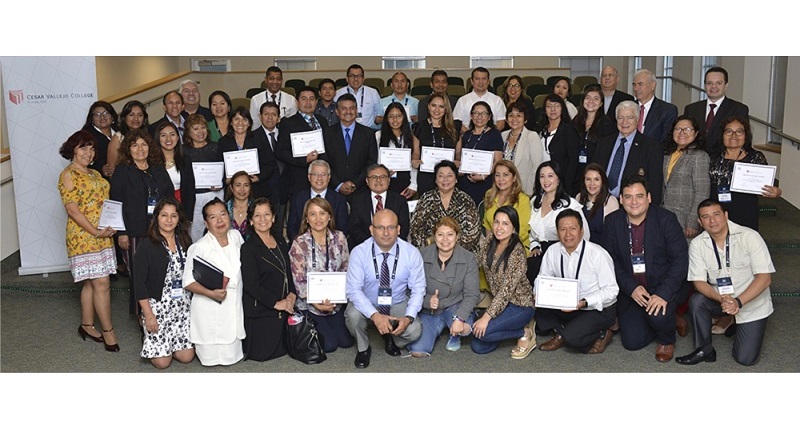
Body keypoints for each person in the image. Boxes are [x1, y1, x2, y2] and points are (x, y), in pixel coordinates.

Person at [601, 176, 689, 362]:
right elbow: (610, 261)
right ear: (621, 199)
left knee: (658, 317)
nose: (634, 202)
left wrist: (664, 294)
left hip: (662, 286)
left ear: (649, 197)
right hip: (632, 289)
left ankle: (666, 337)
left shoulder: (666, 219)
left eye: (639, 196)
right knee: (632, 343)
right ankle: (669, 319)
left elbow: (680, 261)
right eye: (628, 197)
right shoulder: (612, 222)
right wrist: (630, 288)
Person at [678, 199, 774, 366]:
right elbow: (698, 281)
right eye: (705, 217)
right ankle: (704, 349)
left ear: (726, 215)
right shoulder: (697, 244)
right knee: (697, 300)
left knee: (745, 359)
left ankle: (738, 324)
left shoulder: (749, 236)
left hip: (751, 302)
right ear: (700, 222)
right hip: (721, 300)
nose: (712, 221)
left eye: (716, 215)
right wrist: (721, 298)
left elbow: (765, 278)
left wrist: (738, 302)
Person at [57, 131, 119, 352]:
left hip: (102, 234)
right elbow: (73, 211)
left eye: (92, 148)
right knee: (101, 283)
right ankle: (108, 331)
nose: (88, 152)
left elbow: (105, 203)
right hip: (84, 236)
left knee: (90, 282)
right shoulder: (68, 174)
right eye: (83, 147)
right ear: (73, 149)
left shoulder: (94, 173)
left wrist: (110, 225)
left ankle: (86, 324)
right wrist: (95, 231)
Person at [345, 209, 425, 369]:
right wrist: (375, 316)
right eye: (380, 227)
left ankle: (391, 339)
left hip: (397, 301)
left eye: (391, 227)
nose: (386, 233)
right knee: (352, 316)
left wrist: (408, 318)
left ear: (399, 229)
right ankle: (364, 348)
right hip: (367, 301)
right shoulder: (359, 252)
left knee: (415, 330)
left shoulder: (411, 253)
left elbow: (418, 288)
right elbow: (353, 290)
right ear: (371, 229)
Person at [535, 209, 619, 354]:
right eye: (563, 229)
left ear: (581, 230)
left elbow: (612, 290)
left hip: (595, 308)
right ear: (557, 231)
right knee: (538, 315)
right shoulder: (552, 251)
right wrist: (538, 293)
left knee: (573, 339)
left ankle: (602, 333)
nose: (568, 234)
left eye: (573, 229)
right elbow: (542, 278)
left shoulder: (597, 254)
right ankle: (567, 329)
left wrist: (584, 302)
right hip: (566, 305)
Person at [110, 128, 174, 314]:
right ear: (128, 149)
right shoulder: (123, 171)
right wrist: (122, 232)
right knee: (139, 275)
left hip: (161, 230)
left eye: (144, 144)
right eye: (135, 145)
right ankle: (143, 316)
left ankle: (162, 311)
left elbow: (169, 197)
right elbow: (116, 203)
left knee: (161, 270)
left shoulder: (157, 169)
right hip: (134, 232)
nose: (140, 149)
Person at [183, 198, 246, 366]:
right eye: (213, 217)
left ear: (229, 216)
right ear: (205, 222)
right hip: (210, 306)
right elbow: (187, 281)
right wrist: (210, 293)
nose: (219, 220)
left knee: (233, 351)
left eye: (223, 214)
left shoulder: (236, 237)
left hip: (234, 303)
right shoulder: (199, 247)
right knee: (211, 354)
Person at [134, 198, 195, 368]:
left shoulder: (185, 240)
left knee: (186, 357)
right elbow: (139, 283)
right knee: (162, 363)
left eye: (173, 216)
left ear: (178, 219)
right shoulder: (146, 245)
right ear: (156, 218)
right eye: (164, 215)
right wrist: (149, 314)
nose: (169, 220)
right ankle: (147, 331)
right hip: (158, 307)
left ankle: (172, 343)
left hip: (182, 306)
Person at [407, 217, 479, 357]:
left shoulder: (468, 258)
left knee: (465, 328)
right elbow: (409, 289)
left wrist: (460, 318)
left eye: (450, 234)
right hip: (430, 311)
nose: (445, 239)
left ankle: (455, 331)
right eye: (440, 234)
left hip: (454, 305)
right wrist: (427, 301)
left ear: (457, 236)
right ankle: (438, 330)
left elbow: (472, 294)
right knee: (417, 351)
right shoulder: (421, 255)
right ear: (434, 236)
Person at [289, 197, 354, 353]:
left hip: (335, 303)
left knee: (346, 342)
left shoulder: (340, 238)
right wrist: (316, 303)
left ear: (329, 216)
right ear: (307, 219)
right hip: (310, 305)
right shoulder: (299, 243)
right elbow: (299, 281)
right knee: (330, 345)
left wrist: (338, 298)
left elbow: (346, 268)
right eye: (313, 214)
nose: (318, 219)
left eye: (322, 213)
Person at [472, 206, 536, 358]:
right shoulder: (489, 241)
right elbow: (475, 263)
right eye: (496, 222)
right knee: (478, 346)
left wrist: (486, 317)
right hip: (500, 305)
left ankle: (524, 331)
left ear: (514, 228)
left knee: (482, 333)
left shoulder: (517, 252)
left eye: (505, 224)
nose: (499, 228)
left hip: (520, 306)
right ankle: (502, 330)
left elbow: (505, 292)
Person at [239, 197, 297, 361]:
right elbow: (251, 285)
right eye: (257, 215)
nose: (262, 219)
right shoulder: (248, 248)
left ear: (273, 218)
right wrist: (276, 303)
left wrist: (292, 293)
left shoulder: (280, 240)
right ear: (250, 221)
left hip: (284, 305)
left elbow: (288, 270)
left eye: (266, 214)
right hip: (262, 309)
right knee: (264, 354)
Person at [708, 116, 781, 231]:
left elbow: (767, 185)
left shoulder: (756, 157)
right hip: (714, 211)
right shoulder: (712, 155)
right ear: (722, 135)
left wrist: (776, 192)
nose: (734, 135)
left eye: (739, 132)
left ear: (746, 136)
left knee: (744, 244)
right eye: (729, 131)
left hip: (745, 211)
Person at [527, 161, 589, 286]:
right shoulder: (534, 202)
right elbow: (530, 232)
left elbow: (585, 235)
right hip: (539, 257)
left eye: (550, 176)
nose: (546, 180)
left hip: (563, 257)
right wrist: (534, 245)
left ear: (559, 179)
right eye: (542, 176)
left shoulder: (569, 204)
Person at [592, 100, 664, 205]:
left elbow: (655, 185)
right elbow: (594, 171)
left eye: (630, 118)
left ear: (638, 119)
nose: (624, 122)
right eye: (621, 118)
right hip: (601, 202)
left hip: (632, 206)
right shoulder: (604, 142)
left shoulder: (651, 147)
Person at [277, 86, 330, 211]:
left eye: (312, 99)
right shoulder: (288, 123)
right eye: (304, 99)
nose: (308, 103)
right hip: (298, 180)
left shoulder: (322, 121)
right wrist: (304, 160)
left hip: (321, 180)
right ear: (297, 102)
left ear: (316, 102)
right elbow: (280, 151)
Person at [409, 160, 481, 253]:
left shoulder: (466, 200)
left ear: (456, 179)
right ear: (435, 179)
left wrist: (449, 249)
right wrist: (433, 250)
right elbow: (416, 230)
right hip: (431, 253)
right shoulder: (426, 199)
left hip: (461, 253)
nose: (445, 179)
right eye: (441, 176)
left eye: (449, 175)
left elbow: (473, 232)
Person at [662, 115, 710, 241]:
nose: (682, 132)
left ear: (696, 133)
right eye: (678, 129)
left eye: (687, 129)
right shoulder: (667, 155)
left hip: (685, 220)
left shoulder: (699, 156)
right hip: (664, 216)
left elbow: (702, 192)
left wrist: (693, 222)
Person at [218, 106, 279, 205]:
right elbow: (219, 166)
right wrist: (226, 179)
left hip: (257, 190)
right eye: (236, 119)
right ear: (231, 122)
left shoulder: (259, 139)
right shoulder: (223, 142)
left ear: (249, 123)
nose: (240, 123)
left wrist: (258, 177)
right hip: (233, 191)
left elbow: (270, 165)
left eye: (244, 119)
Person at [322, 93, 378, 199]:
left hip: (360, 190)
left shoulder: (368, 134)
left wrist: (355, 183)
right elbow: (324, 162)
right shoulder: (326, 133)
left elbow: (371, 163)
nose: (348, 112)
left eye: (352, 108)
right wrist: (338, 185)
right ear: (337, 112)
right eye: (344, 108)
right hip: (333, 190)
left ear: (356, 111)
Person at [684, 66, 750, 154]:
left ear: (726, 85)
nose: (713, 86)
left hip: (723, 160)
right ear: (705, 85)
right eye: (709, 83)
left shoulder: (739, 109)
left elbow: (742, 139)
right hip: (695, 160)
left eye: (719, 83)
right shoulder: (691, 109)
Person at [348, 164, 410, 250]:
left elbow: (403, 228)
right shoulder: (357, 200)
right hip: (364, 247)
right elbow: (354, 227)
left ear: (388, 180)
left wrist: (388, 245)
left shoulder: (400, 201)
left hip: (394, 247)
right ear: (367, 181)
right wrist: (371, 245)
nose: (378, 180)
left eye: (383, 177)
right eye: (374, 177)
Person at [183, 113, 224, 242]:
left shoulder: (216, 147)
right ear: (188, 132)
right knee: (196, 232)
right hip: (195, 197)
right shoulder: (183, 151)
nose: (200, 132)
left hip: (215, 194)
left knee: (218, 227)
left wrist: (220, 182)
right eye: (195, 129)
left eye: (203, 128)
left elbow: (225, 170)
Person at [412, 93, 462, 195]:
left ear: (446, 109)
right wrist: (414, 160)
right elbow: (416, 152)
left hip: (448, 177)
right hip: (426, 176)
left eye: (441, 106)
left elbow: (458, 151)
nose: (437, 110)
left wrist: (457, 160)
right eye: (434, 105)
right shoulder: (419, 127)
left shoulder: (455, 127)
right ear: (428, 106)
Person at [287, 159, 348, 240]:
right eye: (315, 174)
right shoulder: (297, 198)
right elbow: (292, 228)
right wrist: (302, 245)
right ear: (309, 177)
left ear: (329, 177)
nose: (319, 178)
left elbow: (342, 229)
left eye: (323, 175)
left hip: (331, 246)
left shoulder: (339, 200)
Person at [457, 101, 503, 205]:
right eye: (476, 113)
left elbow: (498, 160)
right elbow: (460, 158)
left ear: (489, 116)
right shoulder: (466, 135)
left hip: (485, 184)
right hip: (465, 184)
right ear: (471, 116)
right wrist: (460, 170)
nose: (479, 116)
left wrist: (484, 175)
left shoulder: (494, 135)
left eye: (484, 113)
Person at [573, 85, 617, 191]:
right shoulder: (576, 120)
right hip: (577, 171)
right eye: (588, 97)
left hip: (596, 173)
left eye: (596, 98)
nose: (591, 101)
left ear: (601, 103)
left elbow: (607, 151)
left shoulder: (606, 122)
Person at [536, 94, 581, 195]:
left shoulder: (569, 131)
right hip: (542, 180)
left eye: (556, 106)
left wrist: (566, 185)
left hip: (561, 182)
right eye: (549, 106)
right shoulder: (539, 129)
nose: (553, 109)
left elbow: (573, 162)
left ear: (562, 109)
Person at [251, 101, 285, 234]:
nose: (270, 117)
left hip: (283, 190)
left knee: (279, 228)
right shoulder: (252, 137)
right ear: (260, 116)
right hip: (262, 189)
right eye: (266, 114)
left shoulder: (286, 134)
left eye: (273, 114)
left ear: (279, 117)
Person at [483, 160, 531, 251]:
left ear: (514, 178)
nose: (501, 179)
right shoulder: (489, 195)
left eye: (505, 175)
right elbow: (487, 225)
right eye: (497, 175)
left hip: (515, 248)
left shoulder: (523, 199)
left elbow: (521, 231)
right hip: (492, 247)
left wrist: (501, 248)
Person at [154, 121, 196, 227]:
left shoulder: (185, 160)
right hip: (160, 212)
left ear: (178, 138)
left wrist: (188, 218)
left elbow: (190, 190)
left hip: (181, 210)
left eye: (172, 134)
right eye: (163, 135)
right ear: (158, 138)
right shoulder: (152, 163)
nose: (168, 139)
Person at [501, 101, 543, 196]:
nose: (514, 119)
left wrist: (528, 192)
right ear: (507, 119)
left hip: (523, 189)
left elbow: (536, 167)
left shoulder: (532, 136)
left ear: (525, 119)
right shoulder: (502, 136)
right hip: (502, 188)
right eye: (511, 115)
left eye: (519, 115)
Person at [377, 102, 418, 198]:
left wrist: (413, 185)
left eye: (399, 116)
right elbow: (375, 161)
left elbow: (414, 162)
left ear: (404, 117)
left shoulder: (411, 137)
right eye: (391, 116)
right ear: (386, 118)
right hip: (385, 182)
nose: (395, 120)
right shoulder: (378, 136)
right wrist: (383, 171)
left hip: (406, 184)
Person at [576, 163, 619, 245]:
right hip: (579, 247)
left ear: (602, 181)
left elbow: (612, 237)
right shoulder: (579, 197)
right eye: (588, 179)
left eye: (596, 179)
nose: (592, 183)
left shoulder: (611, 201)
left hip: (601, 249)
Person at [453, 67, 507, 131]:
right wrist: (470, 136)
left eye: (484, 79)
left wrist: (490, 135)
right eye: (477, 79)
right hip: (467, 138)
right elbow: (456, 122)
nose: (480, 82)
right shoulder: (462, 101)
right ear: (472, 81)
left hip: (491, 138)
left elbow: (501, 122)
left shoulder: (497, 100)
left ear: (488, 81)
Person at [632, 68, 678, 144]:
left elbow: (666, 141)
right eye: (634, 85)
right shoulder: (628, 108)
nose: (636, 88)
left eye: (640, 84)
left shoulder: (667, 110)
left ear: (652, 85)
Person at [106, 100, 148, 177]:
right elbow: (111, 171)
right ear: (124, 118)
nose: (136, 119)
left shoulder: (149, 136)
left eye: (140, 115)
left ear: (144, 119)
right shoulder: (118, 138)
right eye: (131, 115)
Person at [334, 64, 382, 129]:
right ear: (347, 78)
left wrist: (377, 121)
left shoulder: (373, 92)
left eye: (359, 76)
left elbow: (379, 114)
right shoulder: (338, 94)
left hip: (369, 132)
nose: (356, 79)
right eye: (352, 76)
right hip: (345, 132)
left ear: (363, 78)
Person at [82, 101, 118, 178]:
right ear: (92, 119)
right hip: (97, 180)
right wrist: (101, 168)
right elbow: (81, 160)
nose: (102, 117)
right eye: (97, 115)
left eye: (106, 113)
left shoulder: (120, 131)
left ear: (112, 116)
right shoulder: (85, 136)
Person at [226, 171, 253, 239]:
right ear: (231, 188)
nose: (242, 189)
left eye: (246, 185)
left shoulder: (257, 209)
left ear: (250, 187)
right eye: (238, 185)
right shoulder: (224, 209)